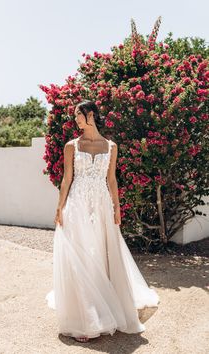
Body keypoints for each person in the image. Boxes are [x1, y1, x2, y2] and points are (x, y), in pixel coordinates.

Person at [45, 100, 160, 343]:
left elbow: (112, 180)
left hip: (101, 204)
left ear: (91, 115)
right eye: (75, 115)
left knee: (102, 253)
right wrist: (59, 207)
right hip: (77, 202)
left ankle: (106, 306)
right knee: (80, 254)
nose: (75, 119)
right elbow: (66, 180)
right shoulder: (71, 146)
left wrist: (117, 208)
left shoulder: (111, 146)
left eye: (79, 114)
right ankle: (86, 319)